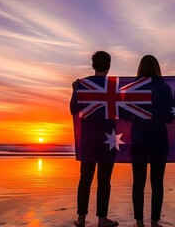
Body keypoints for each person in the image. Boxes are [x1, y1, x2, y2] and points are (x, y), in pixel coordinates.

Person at [70, 51, 119, 227]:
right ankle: (102, 219)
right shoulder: (114, 86)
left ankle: (82, 219)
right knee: (104, 180)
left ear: (93, 65)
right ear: (109, 66)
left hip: (88, 140)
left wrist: (75, 90)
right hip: (109, 139)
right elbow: (124, 112)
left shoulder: (83, 85)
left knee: (85, 179)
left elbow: (74, 110)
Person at [129, 55, 173, 227]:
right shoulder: (165, 89)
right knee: (157, 183)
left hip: (138, 138)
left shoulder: (132, 88)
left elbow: (125, 116)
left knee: (138, 182)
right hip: (159, 138)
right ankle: (155, 222)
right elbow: (170, 118)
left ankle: (139, 222)